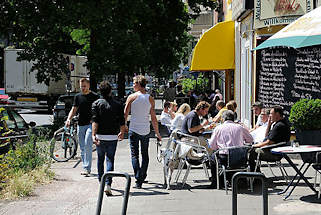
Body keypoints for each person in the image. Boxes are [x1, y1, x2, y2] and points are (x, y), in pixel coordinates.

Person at [124, 75, 162, 189]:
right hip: (146, 129)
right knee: (145, 154)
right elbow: (153, 117)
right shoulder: (150, 98)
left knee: (134, 154)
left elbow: (125, 113)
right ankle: (142, 176)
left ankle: (138, 178)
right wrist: (157, 133)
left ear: (139, 84)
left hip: (134, 128)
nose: (133, 85)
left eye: (134, 83)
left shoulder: (131, 97)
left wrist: (124, 126)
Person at [91, 81, 126, 196]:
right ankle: (108, 184)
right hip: (112, 136)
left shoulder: (96, 104)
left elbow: (95, 121)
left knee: (100, 160)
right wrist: (122, 131)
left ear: (100, 91)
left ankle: (101, 182)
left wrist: (93, 135)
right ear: (111, 91)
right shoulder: (118, 104)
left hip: (100, 136)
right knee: (110, 159)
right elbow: (122, 120)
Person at [208, 110, 253, 188]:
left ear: (223, 119)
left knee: (212, 158)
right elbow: (250, 140)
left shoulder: (218, 128)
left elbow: (212, 146)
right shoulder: (240, 127)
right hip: (240, 158)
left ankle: (216, 182)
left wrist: (218, 147)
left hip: (225, 158)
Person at [66, 78, 100, 176]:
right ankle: (85, 165)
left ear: (88, 85)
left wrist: (96, 121)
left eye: (84, 86)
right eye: (81, 86)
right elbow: (74, 109)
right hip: (81, 124)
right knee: (82, 147)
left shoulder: (95, 96)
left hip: (91, 124)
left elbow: (98, 110)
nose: (83, 88)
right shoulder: (78, 97)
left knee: (87, 144)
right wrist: (69, 119)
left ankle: (86, 168)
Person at [249, 106, 291, 172]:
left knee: (250, 152)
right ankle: (256, 174)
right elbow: (266, 137)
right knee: (251, 150)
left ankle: (256, 175)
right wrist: (269, 125)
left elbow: (269, 142)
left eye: (271, 114)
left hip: (274, 154)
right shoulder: (279, 123)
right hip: (272, 150)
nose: (270, 116)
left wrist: (255, 146)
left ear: (277, 114)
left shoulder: (279, 126)